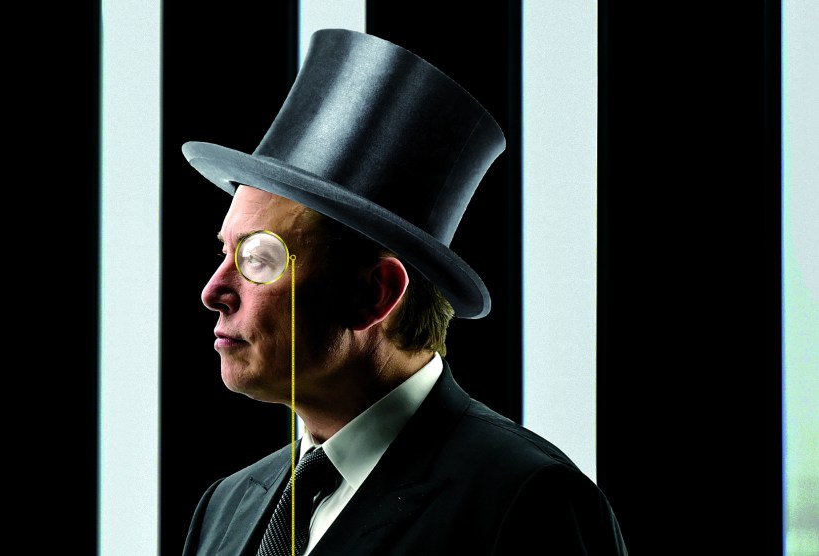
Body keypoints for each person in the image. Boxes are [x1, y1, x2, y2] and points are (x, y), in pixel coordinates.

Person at [180, 29, 628, 555]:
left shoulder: (529, 502)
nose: (213, 290)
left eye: (258, 259)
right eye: (225, 252)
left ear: (376, 293)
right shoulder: (225, 507)